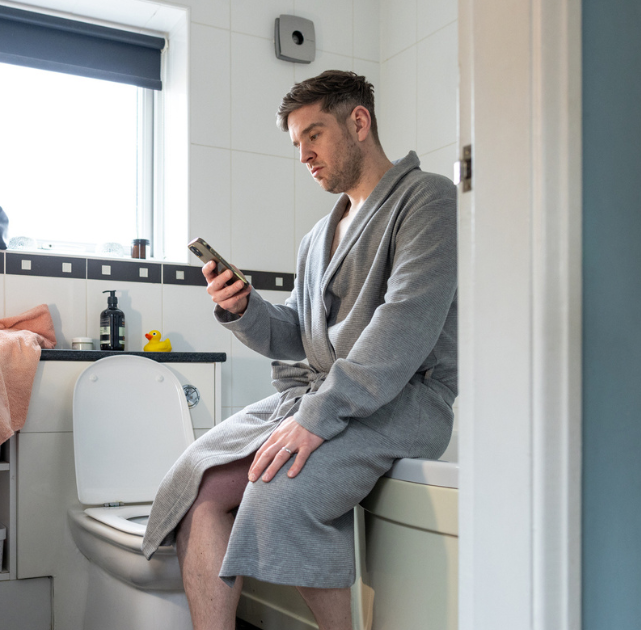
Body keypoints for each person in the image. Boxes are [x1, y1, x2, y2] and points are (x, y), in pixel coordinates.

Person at [142, 70, 457, 630]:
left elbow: (403, 324)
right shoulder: (319, 236)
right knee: (199, 480)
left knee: (277, 495)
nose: (305, 155)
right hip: (325, 396)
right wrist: (244, 309)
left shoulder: (426, 198)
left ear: (358, 121)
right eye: (297, 144)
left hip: (401, 401)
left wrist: (315, 419)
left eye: (314, 135)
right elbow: (297, 334)